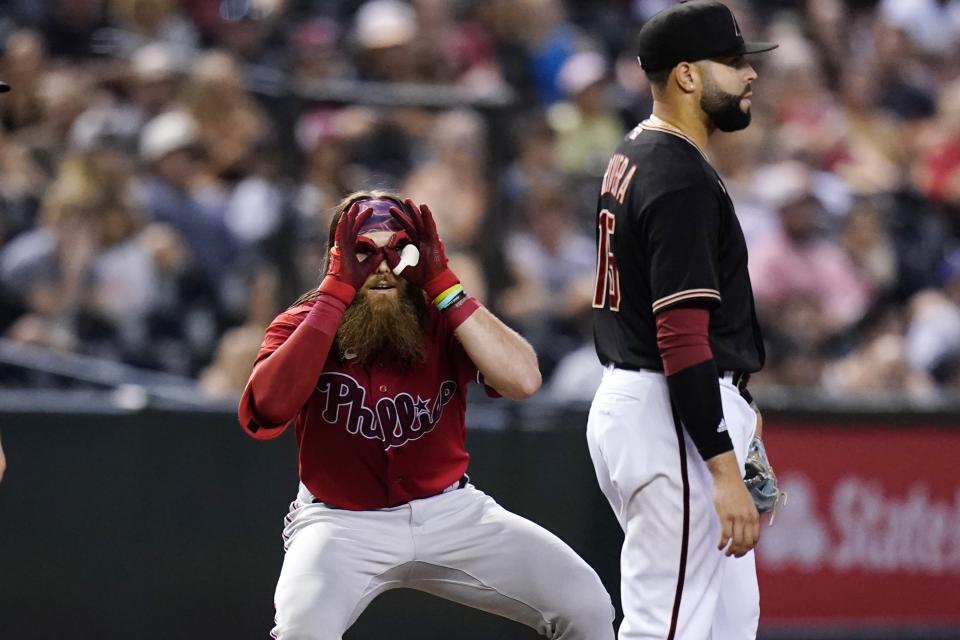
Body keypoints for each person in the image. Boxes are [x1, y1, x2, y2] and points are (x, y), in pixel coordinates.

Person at [238, 192, 614, 640]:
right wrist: (335, 293)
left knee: (586, 604)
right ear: (337, 257)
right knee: (302, 631)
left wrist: (444, 283)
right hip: (341, 524)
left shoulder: (442, 319)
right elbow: (266, 412)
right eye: (363, 250)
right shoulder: (304, 321)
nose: (380, 264)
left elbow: (523, 380)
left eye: (396, 250)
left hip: (451, 512)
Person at [585, 2, 777, 639]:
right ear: (687, 76)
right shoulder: (679, 177)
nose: (749, 75)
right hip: (669, 411)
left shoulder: (639, 152)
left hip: (664, 404)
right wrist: (723, 463)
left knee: (728, 623)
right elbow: (681, 336)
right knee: (666, 628)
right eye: (733, 63)